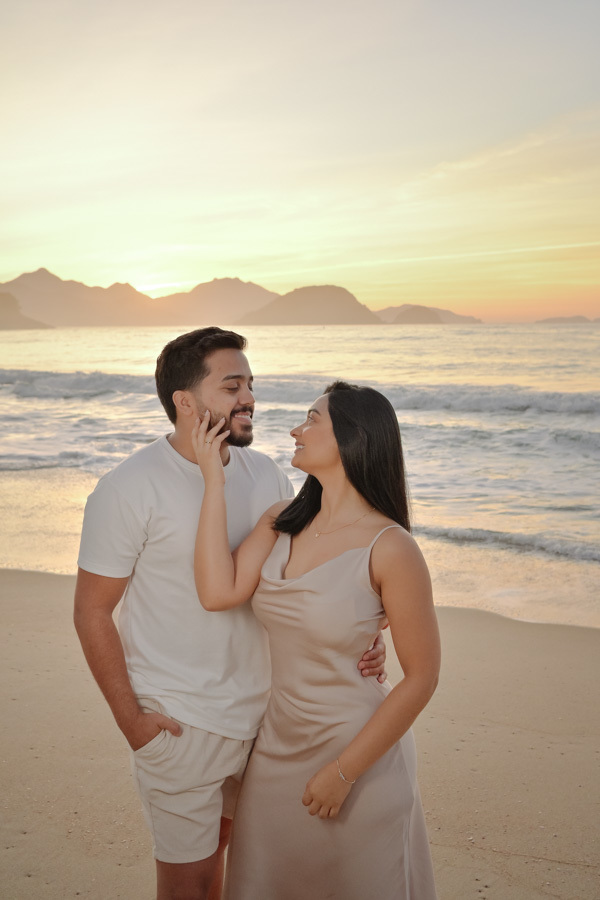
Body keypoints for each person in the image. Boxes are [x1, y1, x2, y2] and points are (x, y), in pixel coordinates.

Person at [73, 328, 387, 900]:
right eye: (232, 385)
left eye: (251, 384)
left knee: (250, 876)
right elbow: (92, 612)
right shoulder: (127, 489)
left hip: (267, 722)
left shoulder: (267, 475)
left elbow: (305, 579)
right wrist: (134, 724)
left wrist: (367, 631)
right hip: (181, 720)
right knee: (190, 886)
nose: (249, 398)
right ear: (185, 402)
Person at [192, 379, 441, 900]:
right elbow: (217, 592)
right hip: (276, 751)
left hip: (359, 757)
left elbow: (421, 679)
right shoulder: (282, 520)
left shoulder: (392, 547)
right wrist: (212, 480)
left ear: (354, 438)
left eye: (312, 419)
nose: (294, 429)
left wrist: (344, 773)